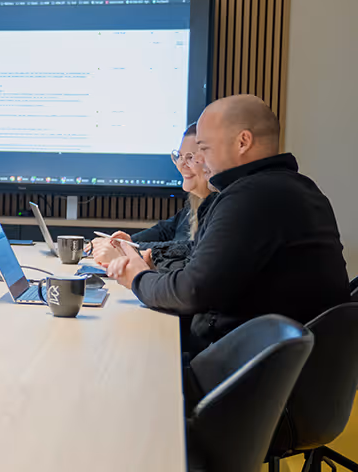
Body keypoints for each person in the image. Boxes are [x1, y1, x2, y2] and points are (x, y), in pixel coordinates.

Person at [107, 95, 349, 357]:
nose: (200, 161)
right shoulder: (297, 188)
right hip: (277, 369)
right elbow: (202, 272)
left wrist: (138, 279)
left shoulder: (251, 196)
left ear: (242, 142)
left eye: (205, 149)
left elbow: (192, 291)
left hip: (239, 376)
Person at [91, 123, 217, 272]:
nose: (181, 165)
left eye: (190, 157)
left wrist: (128, 250)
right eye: (179, 156)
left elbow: (188, 249)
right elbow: (166, 230)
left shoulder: (223, 206)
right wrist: (126, 243)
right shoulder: (196, 200)